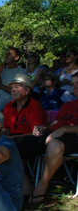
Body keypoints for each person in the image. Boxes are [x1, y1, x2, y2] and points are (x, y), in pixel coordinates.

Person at [30, 72, 78, 203]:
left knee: (55, 144)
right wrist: (43, 128)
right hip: (54, 135)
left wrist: (65, 129)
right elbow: (55, 125)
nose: (74, 87)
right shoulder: (67, 105)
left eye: (77, 84)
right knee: (19, 142)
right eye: (73, 84)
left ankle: (42, 184)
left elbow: (62, 128)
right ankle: (22, 185)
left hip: (73, 139)